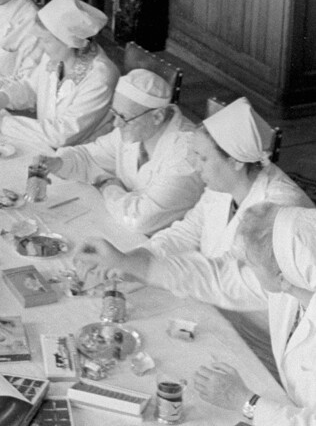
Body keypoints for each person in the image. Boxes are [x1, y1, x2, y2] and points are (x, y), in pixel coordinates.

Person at [73, 98, 311, 345]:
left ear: (236, 161)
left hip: (263, 335)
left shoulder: (280, 209)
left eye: (203, 158)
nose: (194, 166)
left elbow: (230, 281)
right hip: (213, 304)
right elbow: (187, 232)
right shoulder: (223, 183)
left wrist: (138, 267)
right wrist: (132, 260)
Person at [193, 204, 316, 426]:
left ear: (282, 274)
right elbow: (221, 282)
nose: (246, 269)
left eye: (251, 264)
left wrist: (246, 402)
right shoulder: (291, 291)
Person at [25, 69, 203, 235]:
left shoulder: (185, 155)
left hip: (157, 244)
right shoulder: (138, 126)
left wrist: (109, 184)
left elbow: (139, 219)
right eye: (114, 113)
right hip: (121, 225)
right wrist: (59, 162)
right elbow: (90, 156)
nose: (116, 124)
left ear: (157, 116)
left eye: (124, 117)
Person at [0, 0, 118, 148]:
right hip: (44, 144)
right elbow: (31, 87)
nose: (42, 46)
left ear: (69, 42)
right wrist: (3, 97)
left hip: (80, 157)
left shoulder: (101, 77)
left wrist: (2, 124)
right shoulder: (56, 56)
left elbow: (63, 134)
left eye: (46, 41)